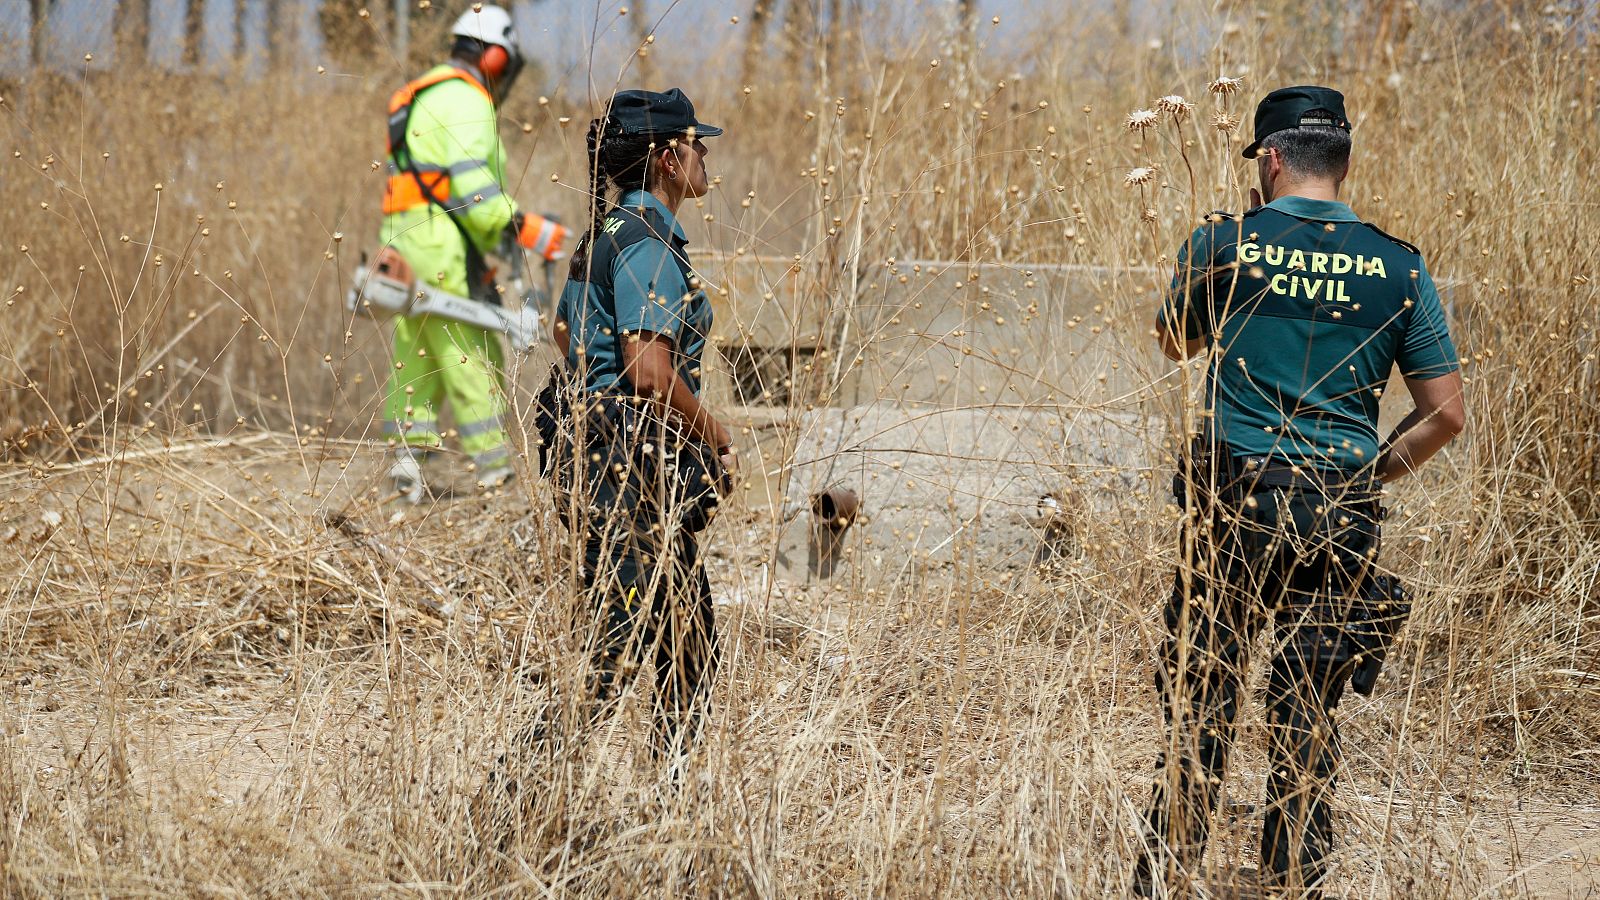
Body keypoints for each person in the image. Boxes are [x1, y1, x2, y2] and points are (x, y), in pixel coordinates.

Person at [1136, 85, 1466, 897]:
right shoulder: (1400, 264)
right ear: (1343, 163)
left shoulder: (1226, 239)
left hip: (1233, 498)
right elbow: (1447, 415)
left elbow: (1175, 342)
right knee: (1307, 719)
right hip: (1341, 506)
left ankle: (1163, 878)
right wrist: (1370, 476)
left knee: (1204, 699)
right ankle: (1295, 884)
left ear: (1271, 160)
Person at [541, 88, 734, 765]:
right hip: (631, 477)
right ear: (665, 158)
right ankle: (519, 798)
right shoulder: (649, 241)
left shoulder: (604, 236)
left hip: (609, 465)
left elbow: (565, 333)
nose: (704, 152)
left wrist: (597, 399)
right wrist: (714, 432)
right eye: (693, 142)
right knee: (611, 659)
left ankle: (669, 815)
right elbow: (649, 371)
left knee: (687, 649)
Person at [379, 4, 567, 502]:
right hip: (443, 245)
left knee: (417, 358)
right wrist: (524, 228)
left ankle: (404, 479)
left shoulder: (426, 93)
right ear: (497, 57)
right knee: (472, 354)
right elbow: (472, 193)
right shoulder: (466, 101)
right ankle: (496, 479)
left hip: (408, 240)